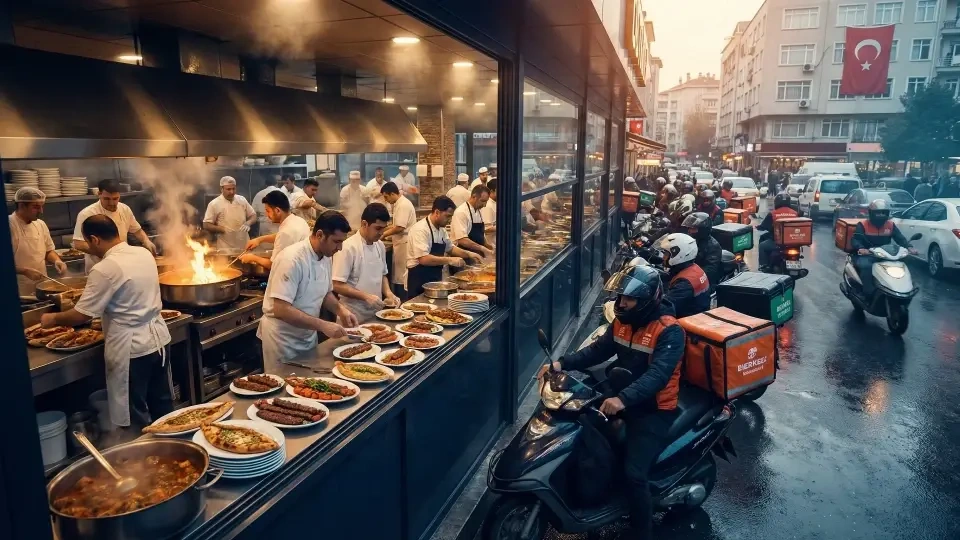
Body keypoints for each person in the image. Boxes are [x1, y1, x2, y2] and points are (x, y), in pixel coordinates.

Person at [538, 264, 684, 539]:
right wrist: (561, 363)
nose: (622, 303)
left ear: (647, 300)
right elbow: (597, 351)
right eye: (620, 298)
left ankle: (642, 531)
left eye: (629, 299)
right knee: (580, 430)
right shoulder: (621, 322)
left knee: (634, 473)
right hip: (620, 395)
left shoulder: (669, 331)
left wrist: (623, 399)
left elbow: (658, 375)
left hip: (653, 408)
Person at [41, 215, 171, 429]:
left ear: (95, 239)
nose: (89, 249)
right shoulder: (143, 253)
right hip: (158, 341)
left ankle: (142, 457)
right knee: (162, 406)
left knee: (134, 414)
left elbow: (81, 314)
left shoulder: (105, 268)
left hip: (132, 349)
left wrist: (52, 318)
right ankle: (174, 452)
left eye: (88, 244)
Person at [257, 211, 359, 372]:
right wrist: (323, 325)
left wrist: (341, 310)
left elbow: (324, 292)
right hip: (283, 339)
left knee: (307, 382)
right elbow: (281, 309)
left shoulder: (325, 256)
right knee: (285, 388)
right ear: (320, 235)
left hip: (307, 335)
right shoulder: (291, 259)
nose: (340, 248)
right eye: (336, 241)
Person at [332, 203, 400, 323]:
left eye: (384, 228)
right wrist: (366, 296)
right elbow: (337, 284)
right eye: (378, 228)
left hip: (376, 313)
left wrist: (389, 294)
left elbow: (382, 274)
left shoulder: (380, 246)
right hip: (352, 314)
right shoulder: (348, 247)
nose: (381, 233)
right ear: (364, 224)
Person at [405, 196, 482, 297]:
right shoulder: (420, 229)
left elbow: (450, 248)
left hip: (434, 279)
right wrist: (450, 260)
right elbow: (423, 259)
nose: (449, 220)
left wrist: (469, 254)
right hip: (418, 280)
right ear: (437, 212)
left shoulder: (441, 229)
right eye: (448, 216)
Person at [74, 180, 156, 274]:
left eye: (115, 198)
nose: (112, 203)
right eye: (107, 199)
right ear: (99, 194)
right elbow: (78, 244)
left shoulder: (124, 209)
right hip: (99, 269)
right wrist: (107, 253)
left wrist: (146, 241)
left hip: (122, 266)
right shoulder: (87, 214)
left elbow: (137, 230)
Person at [852, 200, 917, 297]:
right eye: (878, 213)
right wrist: (861, 248)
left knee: (905, 263)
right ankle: (867, 291)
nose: (881, 215)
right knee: (866, 266)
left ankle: (905, 287)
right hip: (868, 254)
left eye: (883, 213)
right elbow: (855, 240)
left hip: (886, 255)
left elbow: (899, 238)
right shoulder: (863, 225)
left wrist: (909, 247)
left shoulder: (890, 225)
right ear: (871, 213)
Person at [240, 190, 311, 270]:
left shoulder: (286, 232)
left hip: (291, 275)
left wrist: (252, 258)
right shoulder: (299, 220)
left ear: (277, 211)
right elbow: (281, 235)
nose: (267, 215)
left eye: (268, 211)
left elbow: (274, 265)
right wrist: (259, 240)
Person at [9, 187, 68, 282]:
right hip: (19, 287)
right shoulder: (9, 225)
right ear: (22, 206)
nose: (41, 211)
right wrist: (24, 271)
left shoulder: (40, 224)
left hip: (42, 283)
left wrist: (57, 260)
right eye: (36, 207)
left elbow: (48, 251)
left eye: (41, 206)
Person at [658, 233, 711, 318]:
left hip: (688, 321)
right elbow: (670, 276)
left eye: (666, 254)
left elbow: (665, 307)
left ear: (679, 255)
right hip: (696, 312)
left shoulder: (684, 284)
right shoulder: (692, 268)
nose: (663, 257)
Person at [379, 182, 417, 298]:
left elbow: (400, 227)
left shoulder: (403, 205)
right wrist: (382, 228)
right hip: (400, 243)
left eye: (386, 197)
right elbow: (395, 224)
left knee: (402, 278)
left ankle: (403, 302)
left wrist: (382, 235)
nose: (386, 200)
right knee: (399, 276)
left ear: (392, 194)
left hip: (404, 244)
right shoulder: (399, 203)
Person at [202, 176, 257, 250]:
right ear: (221, 189)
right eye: (228, 189)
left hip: (244, 244)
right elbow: (206, 224)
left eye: (233, 189)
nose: (232, 192)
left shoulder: (242, 200)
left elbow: (253, 215)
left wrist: (248, 223)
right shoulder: (214, 204)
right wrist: (222, 229)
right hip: (225, 246)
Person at [681, 212, 723, 290]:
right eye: (689, 228)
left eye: (693, 228)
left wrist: (689, 276)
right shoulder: (690, 240)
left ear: (703, 229)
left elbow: (710, 269)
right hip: (687, 275)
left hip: (703, 282)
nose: (690, 231)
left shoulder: (713, 246)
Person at [451, 185, 494, 258]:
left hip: (477, 255)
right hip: (463, 256)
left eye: (486, 202)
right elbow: (462, 240)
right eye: (482, 201)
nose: (484, 205)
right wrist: (482, 248)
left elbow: (480, 236)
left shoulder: (478, 211)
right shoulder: (461, 212)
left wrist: (489, 247)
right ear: (474, 196)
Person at [756, 194, 798, 269]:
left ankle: (763, 265)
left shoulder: (773, 214)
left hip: (777, 243)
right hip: (793, 242)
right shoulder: (795, 213)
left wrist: (758, 227)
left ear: (777, 202)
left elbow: (764, 226)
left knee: (762, 246)